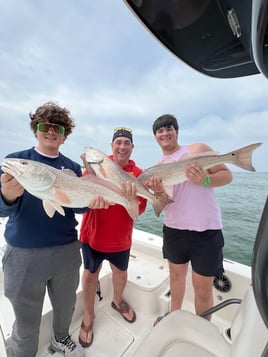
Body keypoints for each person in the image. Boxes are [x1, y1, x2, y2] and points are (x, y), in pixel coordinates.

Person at [0, 102, 109, 357]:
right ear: (35, 129)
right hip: (24, 254)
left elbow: (77, 208)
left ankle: (61, 339)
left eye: (57, 128)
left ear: (64, 134)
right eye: (44, 126)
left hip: (66, 251)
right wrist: (6, 196)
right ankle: (22, 352)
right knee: (26, 318)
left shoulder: (72, 166)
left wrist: (92, 204)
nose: (51, 131)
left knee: (66, 305)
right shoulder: (17, 161)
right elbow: (2, 211)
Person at [146, 114, 233, 323]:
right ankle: (172, 317)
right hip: (174, 230)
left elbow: (227, 175)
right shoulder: (158, 167)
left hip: (206, 230)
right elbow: (165, 200)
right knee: (176, 279)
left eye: (169, 128)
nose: (165, 133)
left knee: (202, 289)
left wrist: (206, 179)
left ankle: (201, 327)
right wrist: (158, 193)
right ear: (155, 137)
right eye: (160, 130)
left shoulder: (197, 150)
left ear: (177, 131)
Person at [78, 127, 147, 348]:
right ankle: (89, 316)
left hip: (120, 239)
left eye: (127, 142)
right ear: (112, 146)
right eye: (118, 142)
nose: (122, 146)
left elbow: (137, 212)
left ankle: (117, 301)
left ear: (132, 148)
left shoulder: (138, 175)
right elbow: (82, 193)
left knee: (121, 273)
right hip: (93, 235)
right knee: (90, 275)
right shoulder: (97, 166)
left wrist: (129, 199)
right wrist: (89, 174)